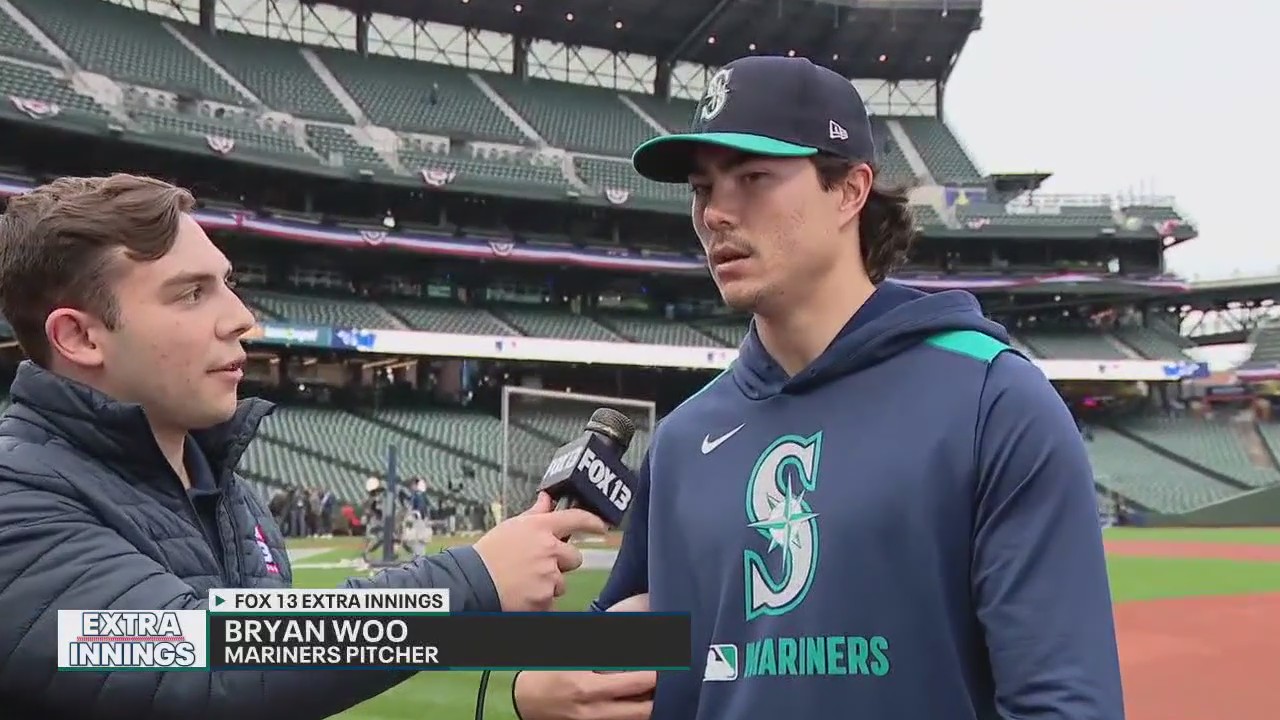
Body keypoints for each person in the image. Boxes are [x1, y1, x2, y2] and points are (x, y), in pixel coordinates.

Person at [513, 55, 1124, 720]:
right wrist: (533, 683)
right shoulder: (684, 440)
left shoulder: (992, 402)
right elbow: (626, 653)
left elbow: (1064, 704)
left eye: (752, 178)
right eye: (701, 188)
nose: (716, 213)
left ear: (850, 191)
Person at [0, 173, 608, 719]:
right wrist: (471, 582)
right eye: (191, 293)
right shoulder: (15, 499)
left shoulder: (224, 490)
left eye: (227, 284)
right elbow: (208, 661)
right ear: (78, 336)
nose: (240, 317)